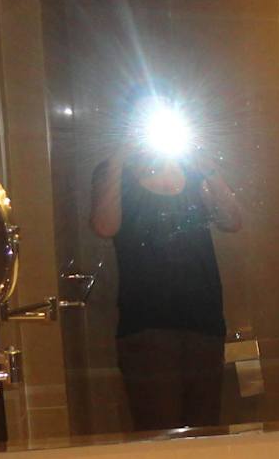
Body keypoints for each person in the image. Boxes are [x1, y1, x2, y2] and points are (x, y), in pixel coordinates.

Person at [90, 114, 242, 432]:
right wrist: (119, 157)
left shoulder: (194, 170)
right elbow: (105, 226)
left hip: (204, 319)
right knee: (157, 431)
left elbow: (232, 221)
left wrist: (209, 168)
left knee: (205, 429)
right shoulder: (114, 172)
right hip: (145, 323)